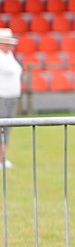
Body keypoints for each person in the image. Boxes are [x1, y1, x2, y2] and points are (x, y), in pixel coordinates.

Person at [0, 28, 22, 168]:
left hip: (11, 96)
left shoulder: (9, 56)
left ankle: (3, 157)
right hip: (1, 96)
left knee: (7, 127)